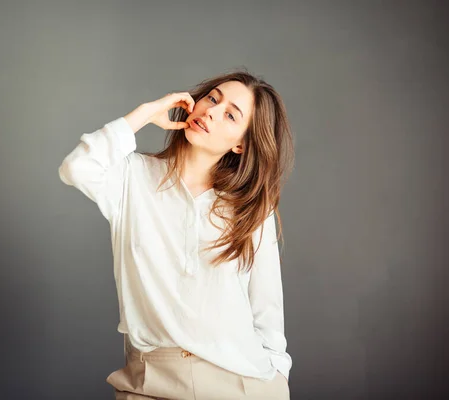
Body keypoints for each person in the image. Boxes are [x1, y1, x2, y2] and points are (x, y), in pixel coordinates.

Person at [58, 69, 295, 399]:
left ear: (241, 144)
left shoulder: (252, 208)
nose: (211, 111)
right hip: (152, 380)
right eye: (212, 98)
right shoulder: (132, 177)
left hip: (242, 384)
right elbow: (76, 167)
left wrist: (277, 379)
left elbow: (267, 314)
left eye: (230, 115)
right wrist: (144, 114)